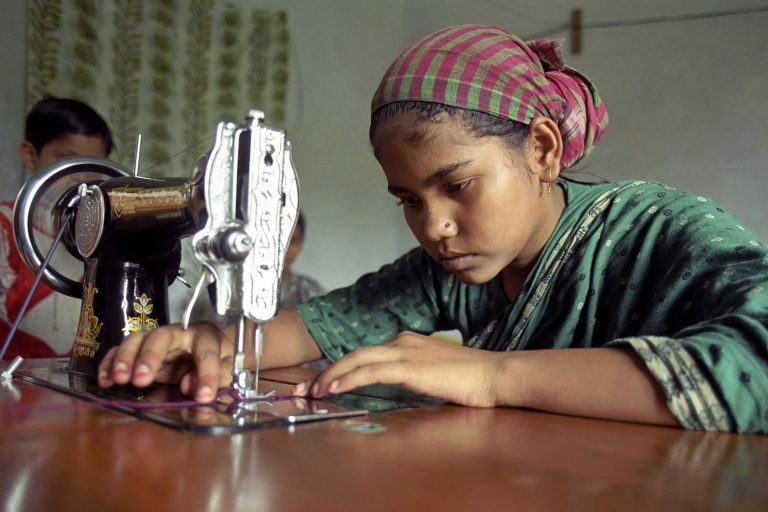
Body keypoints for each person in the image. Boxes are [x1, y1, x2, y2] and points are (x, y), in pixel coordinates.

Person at [98, 25, 768, 434]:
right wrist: (210, 346)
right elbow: (317, 325)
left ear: (541, 150)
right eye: (407, 201)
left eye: (457, 186)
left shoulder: (663, 228)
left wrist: (495, 376)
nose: (435, 226)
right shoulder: (450, 271)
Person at [1, 97, 114, 359]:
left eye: (92, 166)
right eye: (66, 158)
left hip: (75, 388)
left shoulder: (102, 239)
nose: (81, 177)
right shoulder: (6, 227)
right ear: (30, 155)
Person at [280, 211, 325, 308]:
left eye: (292, 241)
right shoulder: (243, 288)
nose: (284, 248)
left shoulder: (312, 292)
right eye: (278, 240)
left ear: (301, 244)